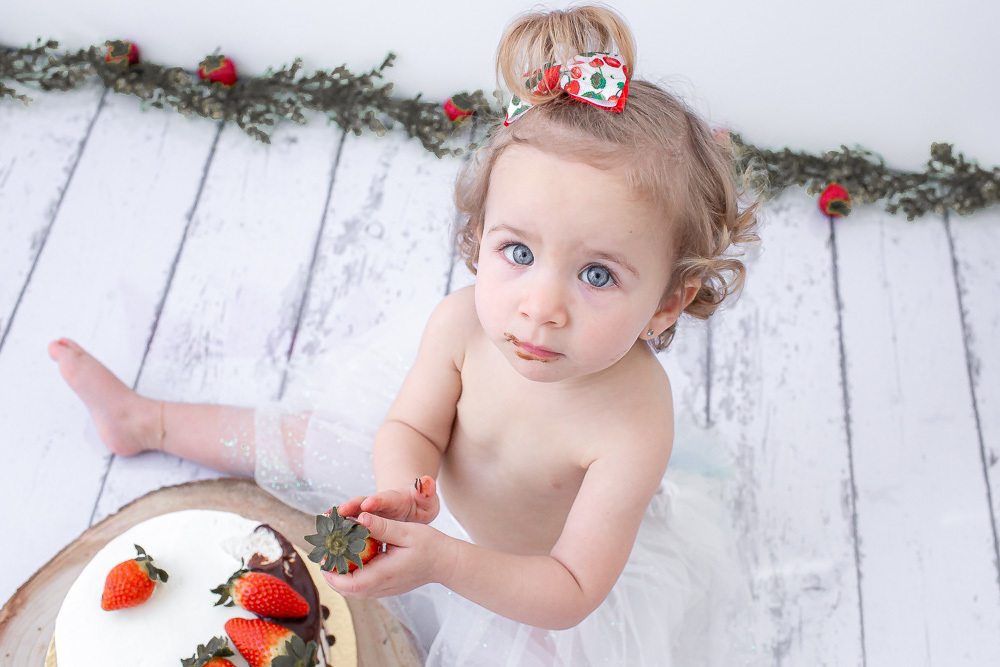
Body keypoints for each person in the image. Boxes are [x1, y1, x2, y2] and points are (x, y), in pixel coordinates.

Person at [49, 5, 759, 665]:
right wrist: (401, 490)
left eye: (597, 274)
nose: (541, 306)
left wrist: (444, 558)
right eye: (518, 252)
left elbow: (570, 587)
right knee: (301, 438)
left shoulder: (633, 420)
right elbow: (409, 424)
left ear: (670, 300)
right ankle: (148, 420)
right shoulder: (462, 326)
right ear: (479, 238)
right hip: (432, 502)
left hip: (525, 579)